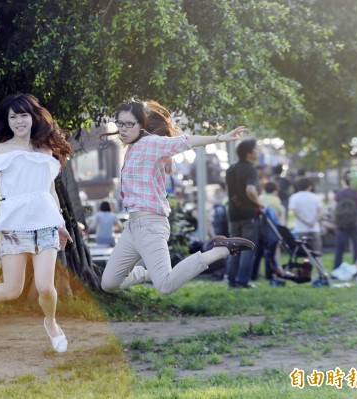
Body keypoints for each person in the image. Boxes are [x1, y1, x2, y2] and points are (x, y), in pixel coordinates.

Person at [99, 98, 254, 295]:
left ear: (141, 125)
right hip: (132, 228)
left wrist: (220, 138)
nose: (123, 129)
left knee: (165, 286)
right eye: (120, 123)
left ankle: (219, 250)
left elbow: (185, 141)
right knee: (109, 283)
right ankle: (149, 274)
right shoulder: (131, 149)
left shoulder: (151, 143)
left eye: (129, 124)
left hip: (151, 226)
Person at [0, 93, 73, 353]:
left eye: (24, 115)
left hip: (45, 223)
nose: (19, 121)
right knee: (12, 289)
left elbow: (50, 191)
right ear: (7, 121)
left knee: (45, 286)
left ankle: (51, 322)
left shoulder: (45, 149)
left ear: (33, 117)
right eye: (13, 116)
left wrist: (61, 223)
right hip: (14, 224)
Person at [225, 139, 264, 288]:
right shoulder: (251, 169)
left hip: (233, 214)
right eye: (256, 149)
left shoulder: (231, 169)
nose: (258, 151)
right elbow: (250, 190)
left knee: (234, 248)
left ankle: (231, 281)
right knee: (247, 248)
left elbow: (228, 191)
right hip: (248, 214)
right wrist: (258, 203)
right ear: (249, 153)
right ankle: (243, 281)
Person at [332, 171, 357, 271]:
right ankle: (356, 269)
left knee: (340, 248)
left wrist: (334, 222)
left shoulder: (340, 193)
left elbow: (334, 208)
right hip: (356, 223)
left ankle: (336, 268)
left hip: (342, 223)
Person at [288, 177, 324, 253]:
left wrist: (305, 222)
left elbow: (295, 212)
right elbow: (320, 211)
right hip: (314, 228)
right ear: (310, 186)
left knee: (303, 254)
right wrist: (313, 222)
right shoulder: (315, 197)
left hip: (300, 229)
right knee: (317, 253)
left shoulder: (294, 197)